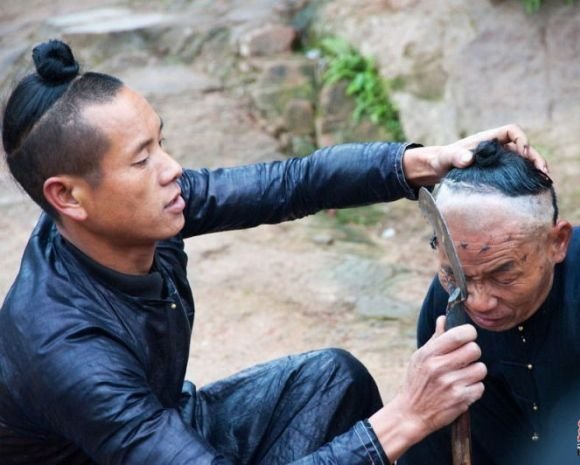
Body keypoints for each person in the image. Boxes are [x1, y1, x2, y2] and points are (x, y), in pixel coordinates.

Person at [0, 39, 543, 465]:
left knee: (332, 379)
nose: (171, 170)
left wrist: (427, 160)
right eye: (142, 160)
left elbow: (293, 182)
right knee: (378, 428)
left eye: (161, 143)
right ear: (67, 196)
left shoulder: (144, 215)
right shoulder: (65, 349)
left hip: (170, 425)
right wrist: (405, 418)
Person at [399, 140, 580, 465]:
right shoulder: (444, 302)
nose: (480, 302)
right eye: (457, 275)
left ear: (558, 242)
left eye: (503, 274)